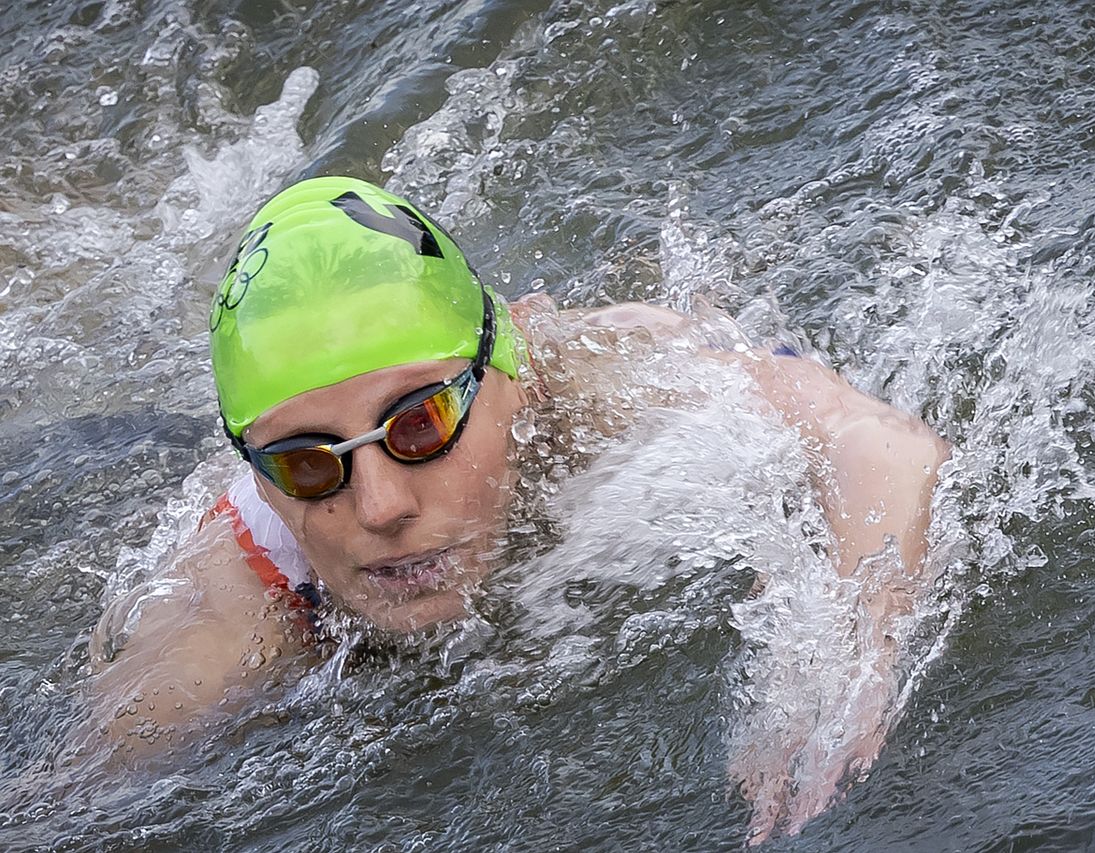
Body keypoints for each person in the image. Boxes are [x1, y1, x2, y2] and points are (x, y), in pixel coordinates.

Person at [80, 176, 948, 841]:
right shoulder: (231, 606)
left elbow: (881, 444)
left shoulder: (596, 385)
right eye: (309, 463)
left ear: (508, 373)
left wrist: (841, 641)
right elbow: (76, 806)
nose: (380, 505)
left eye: (420, 423)